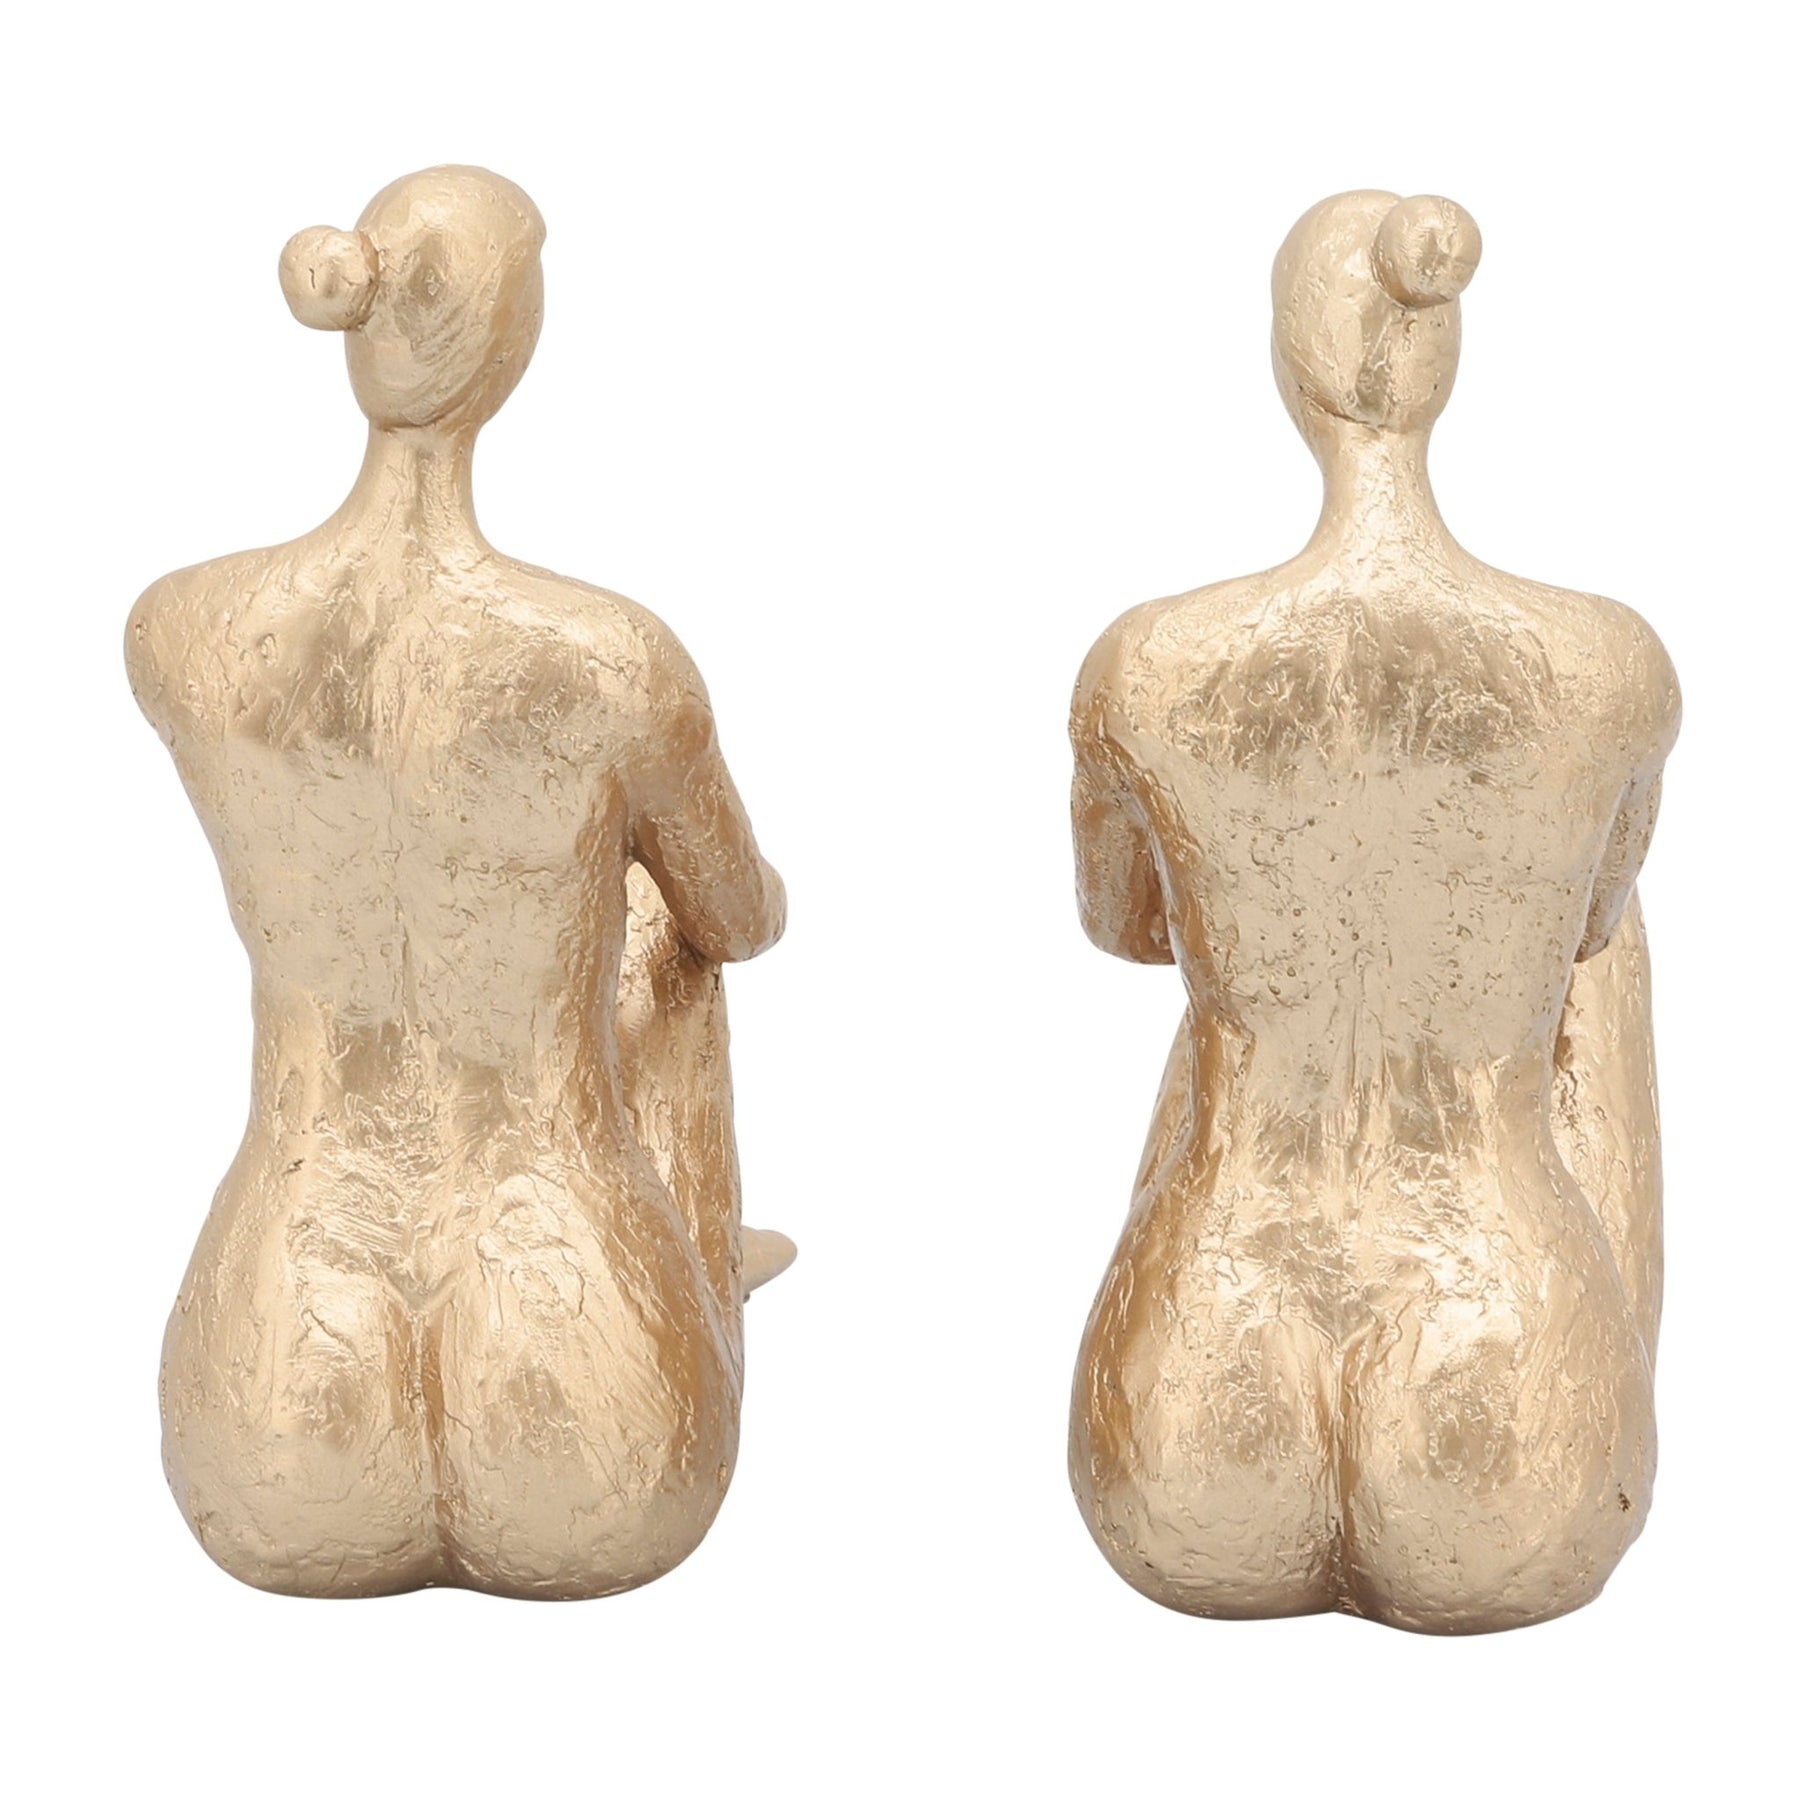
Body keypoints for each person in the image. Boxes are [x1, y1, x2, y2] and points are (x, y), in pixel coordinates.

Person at [127, 166, 790, 1599]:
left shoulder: (182, 631)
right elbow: (742, 921)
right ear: (511, 340)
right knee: (662, 939)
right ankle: (699, 1264)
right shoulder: (608, 660)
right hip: (573, 1369)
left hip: (276, 1395)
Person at [1068, 192, 1678, 1633]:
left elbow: (1128, 929)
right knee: (1595, 947)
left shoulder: (1149, 666)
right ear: (1443, 359)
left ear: (1289, 364)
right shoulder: (1608, 667)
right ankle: (1612, 1360)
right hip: (1503, 1378)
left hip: (1201, 1390)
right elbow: (1588, 928)